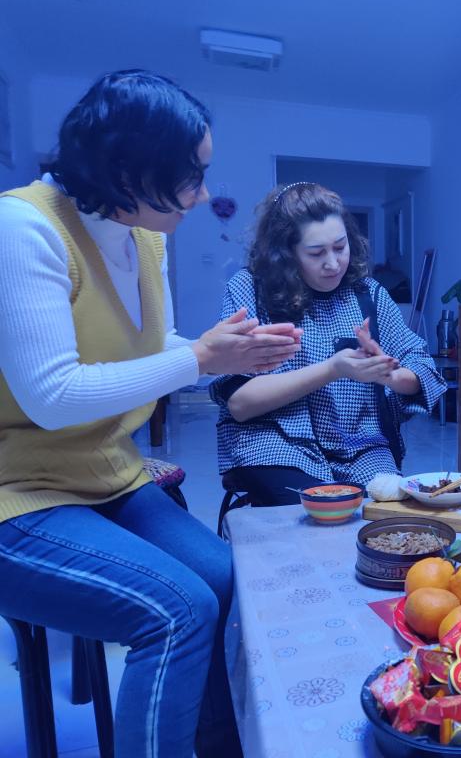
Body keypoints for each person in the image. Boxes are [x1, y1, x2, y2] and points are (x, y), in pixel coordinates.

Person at [0, 70, 302, 757]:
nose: (202, 194)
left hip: (106, 475)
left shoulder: (146, 237)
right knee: (176, 612)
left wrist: (223, 354)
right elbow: (52, 394)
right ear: (127, 172)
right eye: (189, 176)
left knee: (227, 579)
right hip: (16, 493)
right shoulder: (22, 227)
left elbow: (149, 347)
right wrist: (198, 358)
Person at [211, 182, 445, 504]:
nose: (333, 263)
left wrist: (387, 373)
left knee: (385, 511)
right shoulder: (250, 290)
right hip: (274, 443)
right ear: (285, 254)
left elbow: (422, 370)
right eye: (316, 253)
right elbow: (239, 404)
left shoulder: (369, 295)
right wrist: (334, 368)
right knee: (314, 510)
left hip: (361, 448)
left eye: (340, 247)